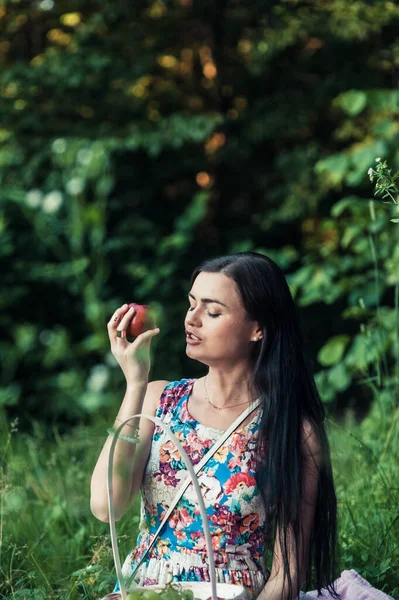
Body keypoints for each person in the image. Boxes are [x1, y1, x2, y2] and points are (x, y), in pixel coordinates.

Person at [90, 252, 341, 600]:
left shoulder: (290, 430)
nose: (191, 320)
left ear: (258, 329)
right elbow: (106, 506)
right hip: (146, 591)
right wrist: (135, 382)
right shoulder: (158, 399)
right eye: (191, 304)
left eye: (212, 311)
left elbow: (287, 575)